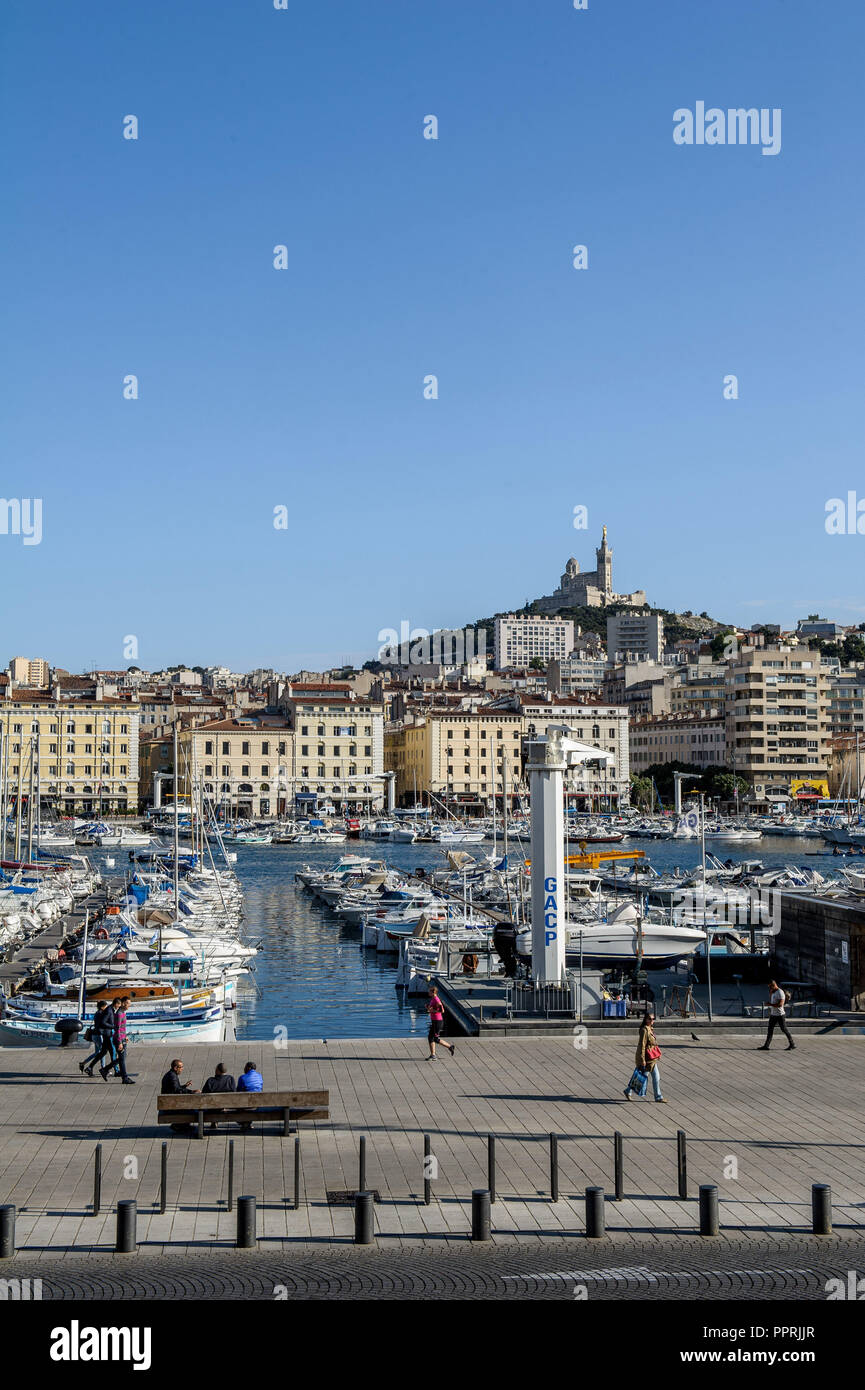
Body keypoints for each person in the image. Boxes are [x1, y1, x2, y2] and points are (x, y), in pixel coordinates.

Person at [624, 1010, 667, 1102]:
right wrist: (642, 1059)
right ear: (646, 1019)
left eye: (653, 1019)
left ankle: (658, 1097)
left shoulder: (650, 1028)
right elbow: (642, 1046)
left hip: (652, 1059)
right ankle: (629, 1091)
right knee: (641, 1077)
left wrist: (657, 1053)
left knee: (654, 1077)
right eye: (649, 1019)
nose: (652, 1020)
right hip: (647, 1059)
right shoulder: (644, 1030)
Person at [103, 996, 134, 1084]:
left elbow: (122, 1028)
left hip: (123, 1038)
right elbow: (117, 1028)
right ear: (123, 1003)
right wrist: (120, 1041)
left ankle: (105, 1069)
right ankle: (125, 1078)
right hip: (119, 1039)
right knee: (122, 1059)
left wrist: (125, 1036)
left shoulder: (123, 1013)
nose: (129, 1006)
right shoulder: (119, 1014)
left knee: (122, 1058)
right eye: (128, 1004)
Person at [79, 1000, 113, 1076]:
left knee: (97, 1053)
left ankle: (84, 1063)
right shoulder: (101, 1014)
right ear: (102, 1007)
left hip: (94, 1034)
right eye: (105, 1006)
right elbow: (102, 1024)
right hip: (98, 1035)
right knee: (102, 1053)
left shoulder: (97, 1013)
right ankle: (104, 1069)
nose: (106, 1008)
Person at [759, 980, 795, 1051]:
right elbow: (773, 1000)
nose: (769, 988)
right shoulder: (773, 992)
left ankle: (792, 1044)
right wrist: (770, 995)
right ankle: (766, 1046)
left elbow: (780, 1004)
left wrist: (770, 1004)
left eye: (770, 987)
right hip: (773, 1014)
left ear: (773, 985)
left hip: (780, 1015)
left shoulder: (780, 992)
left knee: (784, 1029)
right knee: (770, 1030)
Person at [426, 983, 455, 1061]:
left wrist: (432, 1010)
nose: (428, 992)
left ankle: (450, 1047)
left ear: (433, 992)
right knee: (430, 1037)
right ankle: (433, 1055)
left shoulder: (436, 999)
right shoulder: (433, 999)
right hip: (434, 1021)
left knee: (435, 1039)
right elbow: (433, 1008)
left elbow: (442, 1010)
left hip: (437, 1021)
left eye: (429, 991)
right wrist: (429, 1008)